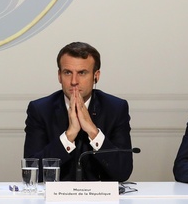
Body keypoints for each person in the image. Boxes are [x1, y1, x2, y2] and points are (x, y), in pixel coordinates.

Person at [23, 41, 134, 182]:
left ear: (96, 76)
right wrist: (69, 135)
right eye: (67, 72)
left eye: (82, 73)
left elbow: (123, 172)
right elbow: (31, 174)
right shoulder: (40, 110)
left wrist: (93, 132)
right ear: (59, 76)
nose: (74, 81)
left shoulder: (115, 108)